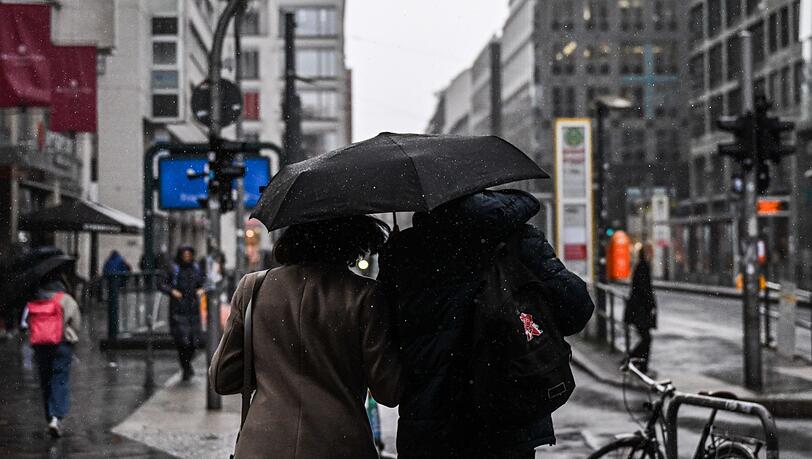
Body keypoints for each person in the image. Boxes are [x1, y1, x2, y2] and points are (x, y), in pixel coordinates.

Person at [378, 189, 595, 459]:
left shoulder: (404, 253)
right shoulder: (516, 239)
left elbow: (384, 337)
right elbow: (576, 309)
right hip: (507, 419)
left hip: (430, 430)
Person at [210, 216, 401, 459]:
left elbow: (223, 378)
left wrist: (273, 369)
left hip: (264, 445)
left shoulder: (253, 288)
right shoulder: (365, 296)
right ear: (352, 239)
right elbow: (388, 390)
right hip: (338, 445)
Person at [22, 259, 81, 438]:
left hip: (40, 345)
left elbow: (26, 323)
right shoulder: (65, 299)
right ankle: (56, 418)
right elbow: (76, 323)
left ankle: (49, 416)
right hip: (61, 344)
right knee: (60, 379)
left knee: (45, 381)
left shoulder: (35, 298)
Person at [160, 246, 206, 381]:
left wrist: (201, 289)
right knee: (182, 342)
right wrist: (172, 291)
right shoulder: (174, 269)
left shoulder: (196, 268)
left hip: (193, 310)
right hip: (178, 310)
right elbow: (161, 283)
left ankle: (187, 364)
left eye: (189, 254)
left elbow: (204, 282)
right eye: (184, 254)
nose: (186, 257)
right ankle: (186, 368)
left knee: (194, 342)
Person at [624, 242, 657, 373]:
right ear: (646, 253)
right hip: (640, 310)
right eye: (651, 251)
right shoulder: (643, 267)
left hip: (638, 309)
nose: (653, 254)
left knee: (646, 338)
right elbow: (644, 290)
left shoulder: (641, 266)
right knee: (646, 338)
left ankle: (636, 362)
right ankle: (635, 361)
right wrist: (651, 305)